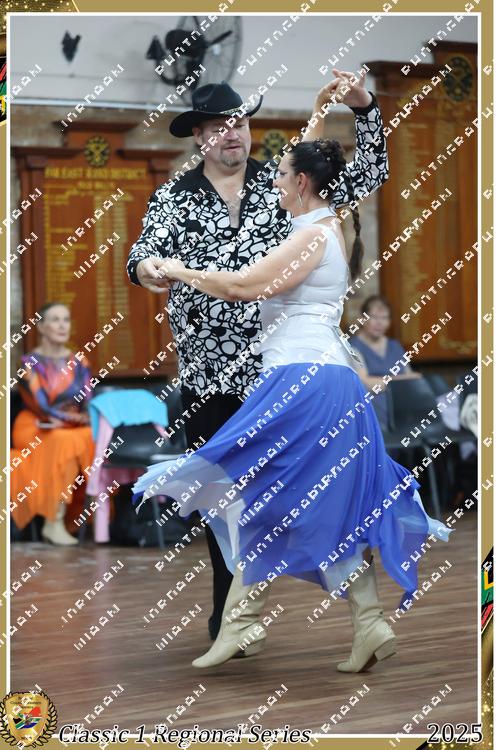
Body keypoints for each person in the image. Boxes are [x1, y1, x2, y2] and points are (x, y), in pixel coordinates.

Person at [132, 138, 451, 673]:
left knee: (264, 492)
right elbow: (309, 158)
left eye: (280, 174)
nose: (273, 181)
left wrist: (179, 270)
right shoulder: (323, 227)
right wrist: (321, 111)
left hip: (306, 380)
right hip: (324, 379)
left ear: (301, 182)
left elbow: (241, 286)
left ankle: (240, 621)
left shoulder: (311, 236)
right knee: (317, 502)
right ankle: (368, 621)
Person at [126, 73, 390, 646]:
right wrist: (146, 268)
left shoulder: (285, 184)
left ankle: (355, 614)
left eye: (240, 123)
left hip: (277, 375)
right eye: (219, 126)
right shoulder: (173, 196)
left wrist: (365, 107)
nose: (233, 134)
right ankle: (233, 619)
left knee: (310, 491)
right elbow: (143, 255)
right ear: (199, 137)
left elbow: (367, 174)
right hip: (207, 377)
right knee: (221, 498)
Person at [10, 302, 95, 544]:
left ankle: (73, 520)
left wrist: (79, 419)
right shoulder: (28, 363)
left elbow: (87, 402)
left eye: (66, 320)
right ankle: (53, 520)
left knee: (85, 437)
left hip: (69, 427)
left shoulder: (80, 361)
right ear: (41, 326)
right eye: (55, 320)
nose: (62, 325)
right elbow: (41, 406)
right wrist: (73, 419)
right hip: (35, 425)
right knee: (64, 440)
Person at [351, 295, 422, 430]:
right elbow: (366, 384)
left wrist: (384, 382)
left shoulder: (395, 346)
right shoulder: (353, 347)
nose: (379, 323)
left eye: (384, 318)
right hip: (372, 414)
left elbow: (412, 382)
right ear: (363, 319)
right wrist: (401, 380)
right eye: (374, 317)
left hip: (403, 413)